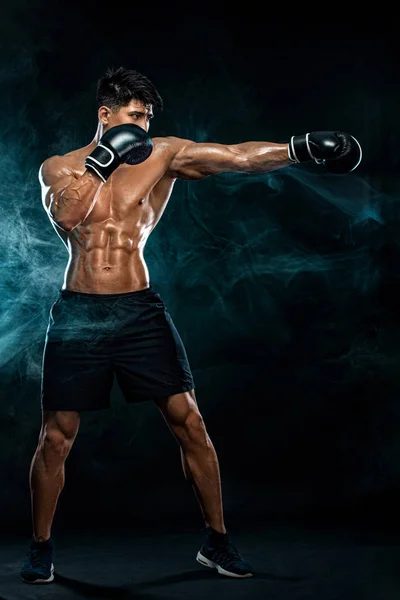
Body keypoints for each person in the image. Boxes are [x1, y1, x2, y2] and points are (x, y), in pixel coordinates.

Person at [20, 66, 362, 584]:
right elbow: (68, 217)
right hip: (79, 315)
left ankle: (217, 543)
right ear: (105, 115)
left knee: (191, 424)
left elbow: (237, 156)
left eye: (148, 117)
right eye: (134, 117)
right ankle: (41, 549)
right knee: (56, 438)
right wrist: (103, 159)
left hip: (140, 311)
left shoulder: (162, 154)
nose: (143, 126)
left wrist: (297, 148)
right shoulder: (58, 167)